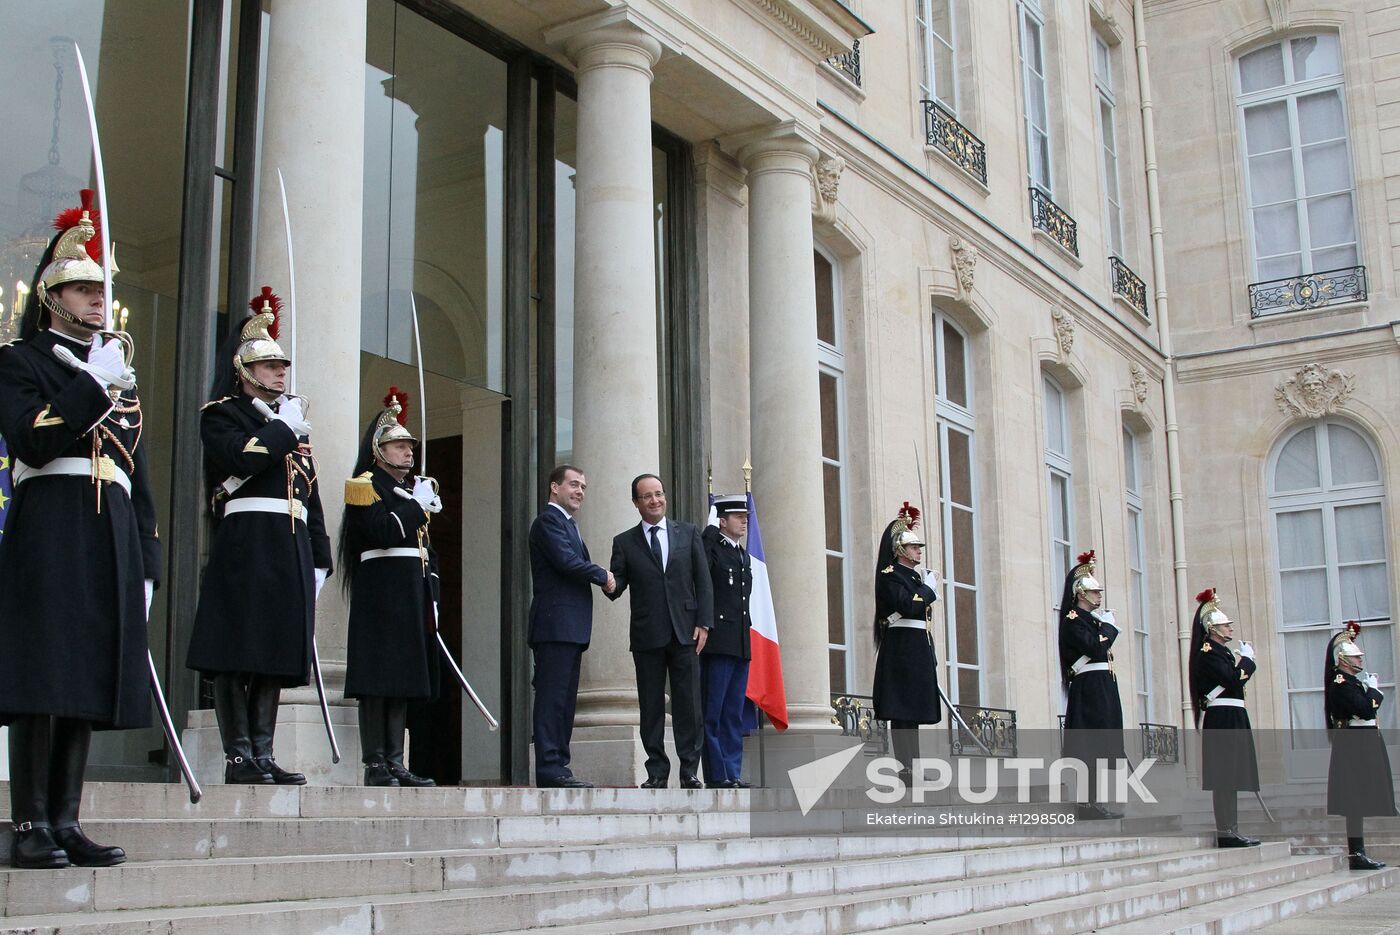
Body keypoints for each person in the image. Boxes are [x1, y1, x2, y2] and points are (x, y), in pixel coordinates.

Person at [0, 191, 159, 868]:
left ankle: (67, 819)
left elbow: (136, 477)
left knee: (87, 676)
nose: (98, 299)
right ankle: (29, 820)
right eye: (83, 289)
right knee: (45, 673)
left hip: (108, 532)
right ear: (52, 296)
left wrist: (146, 556)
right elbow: (32, 444)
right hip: (51, 527)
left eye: (102, 289)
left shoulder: (116, 374)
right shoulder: (21, 361)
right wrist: (92, 387)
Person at [186, 287, 332, 785]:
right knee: (235, 651)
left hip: (288, 542)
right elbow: (242, 460)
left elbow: (309, 494)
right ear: (245, 371)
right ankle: (238, 755)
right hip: (246, 539)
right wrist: (284, 431)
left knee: (273, 651)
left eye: (282, 366)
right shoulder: (222, 415)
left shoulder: (292, 423)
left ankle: (264, 753)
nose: (280, 372)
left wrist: (319, 556)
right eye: (269, 366)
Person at [339, 388, 442, 787]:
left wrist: (432, 595)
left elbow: (425, 552)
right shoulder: (364, 485)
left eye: (409, 446)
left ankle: (397, 760)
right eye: (398, 445)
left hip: (410, 595)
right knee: (377, 680)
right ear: (379, 450)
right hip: (381, 595)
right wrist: (416, 507)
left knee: (401, 682)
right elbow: (381, 532)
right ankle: (375, 763)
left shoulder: (409, 489)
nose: (408, 451)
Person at [605, 473, 713, 788]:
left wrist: (704, 623)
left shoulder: (688, 533)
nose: (655, 500)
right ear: (637, 503)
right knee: (651, 706)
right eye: (648, 496)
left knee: (688, 706)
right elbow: (618, 585)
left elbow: (703, 582)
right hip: (647, 635)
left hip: (686, 633)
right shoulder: (624, 542)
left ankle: (690, 771)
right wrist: (608, 581)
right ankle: (656, 772)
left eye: (659, 494)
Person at [528, 464, 614, 788]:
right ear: (554, 487)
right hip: (554, 625)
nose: (579, 491)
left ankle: (560, 767)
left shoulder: (568, 524)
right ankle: (550, 769)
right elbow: (566, 562)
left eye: (583, 487)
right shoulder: (548, 521)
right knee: (553, 698)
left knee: (564, 701)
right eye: (574, 485)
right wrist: (603, 575)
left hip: (570, 627)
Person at [871, 502, 941, 783]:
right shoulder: (891, 576)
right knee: (901, 712)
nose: (918, 551)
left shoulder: (913, 577)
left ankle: (914, 766)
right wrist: (928, 589)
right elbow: (908, 605)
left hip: (917, 646)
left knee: (912, 711)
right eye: (913, 547)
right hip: (901, 649)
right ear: (900, 550)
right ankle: (906, 768)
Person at [1188, 588, 1261, 848]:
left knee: (1233, 776)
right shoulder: (1208, 652)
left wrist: (1241, 662)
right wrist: (1248, 663)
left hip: (1233, 715)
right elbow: (1231, 679)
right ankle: (1226, 831)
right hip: (1222, 717)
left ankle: (1232, 828)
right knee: (1224, 777)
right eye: (1225, 625)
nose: (1230, 628)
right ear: (1213, 629)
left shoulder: (1224, 652)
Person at [1058, 549, 1126, 819]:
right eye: (1095, 592)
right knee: (1089, 747)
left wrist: (1105, 628)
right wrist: (1109, 630)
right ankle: (1087, 803)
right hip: (1089, 688)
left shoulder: (1092, 621)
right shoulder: (1073, 621)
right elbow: (1095, 649)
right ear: (1081, 594)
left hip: (1102, 687)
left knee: (1100, 746)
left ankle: (1095, 801)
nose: (1099, 596)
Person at [1324, 621, 1396, 870]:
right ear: (1343, 659)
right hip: (1354, 747)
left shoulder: (1352, 682)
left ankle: (1359, 853)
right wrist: (1375, 693)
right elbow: (1365, 708)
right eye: (1355, 657)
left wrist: (1369, 692)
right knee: (1354, 801)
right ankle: (1356, 854)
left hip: (1362, 743)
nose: (1360, 660)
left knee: (1361, 800)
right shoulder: (1341, 683)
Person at [701, 495, 753, 789]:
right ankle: (717, 773)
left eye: (744, 516)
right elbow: (702, 565)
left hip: (739, 642)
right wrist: (709, 532)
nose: (744, 520)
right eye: (737, 516)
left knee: (733, 711)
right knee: (714, 710)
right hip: (718, 641)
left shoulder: (741, 554)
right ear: (721, 520)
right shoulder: (713, 549)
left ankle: (732, 771)